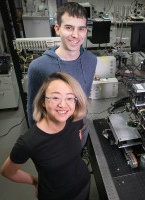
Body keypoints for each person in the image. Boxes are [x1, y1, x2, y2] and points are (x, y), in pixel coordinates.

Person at [1, 72, 90, 200]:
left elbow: (79, 134)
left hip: (83, 185)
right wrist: (35, 181)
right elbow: (7, 171)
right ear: (43, 101)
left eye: (70, 98)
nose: (63, 105)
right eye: (55, 98)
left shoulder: (74, 121)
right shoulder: (29, 141)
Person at [27, 2, 97, 146]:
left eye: (81, 29)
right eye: (69, 27)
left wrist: (81, 127)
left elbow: (84, 97)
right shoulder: (38, 67)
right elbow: (33, 109)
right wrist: (38, 142)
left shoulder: (91, 60)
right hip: (52, 139)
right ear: (57, 29)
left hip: (79, 132)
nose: (75, 35)